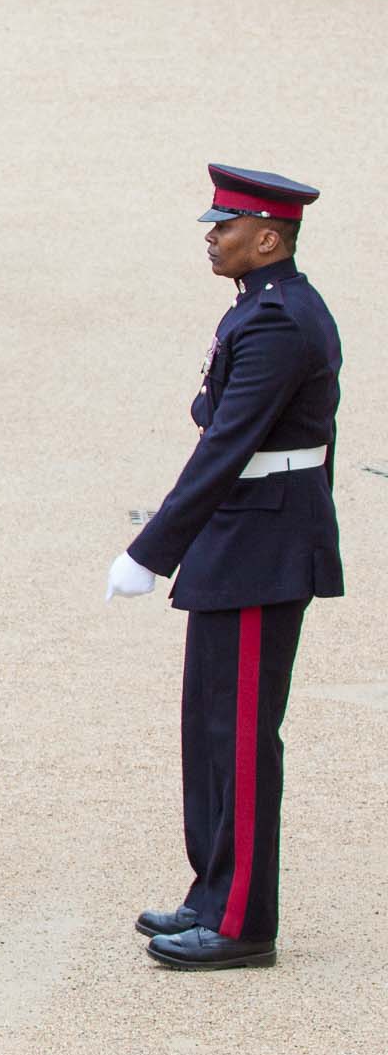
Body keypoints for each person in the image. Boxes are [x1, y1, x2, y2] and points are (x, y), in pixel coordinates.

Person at [109, 165, 342, 971]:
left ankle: (242, 921)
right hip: (246, 539)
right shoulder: (261, 309)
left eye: (227, 226)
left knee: (240, 738)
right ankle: (214, 891)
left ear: (268, 238)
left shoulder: (278, 323)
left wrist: (149, 549)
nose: (213, 236)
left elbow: (224, 444)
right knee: (209, 729)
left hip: (261, 548)